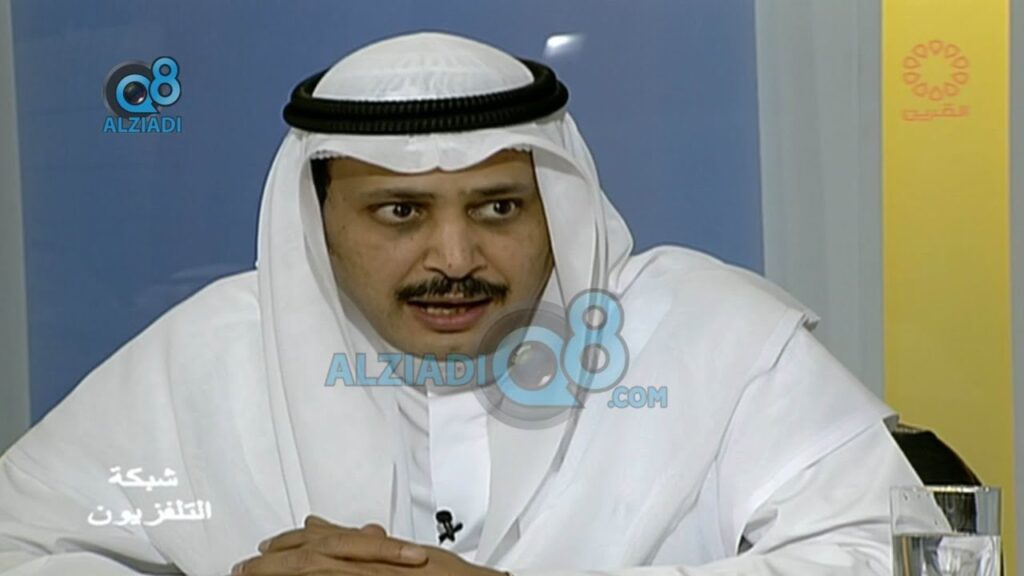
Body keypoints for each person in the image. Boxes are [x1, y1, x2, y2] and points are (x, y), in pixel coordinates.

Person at [0, 32, 927, 576]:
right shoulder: (211, 356)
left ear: (554, 207)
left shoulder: (704, 336)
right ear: (319, 225)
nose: (455, 259)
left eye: (498, 208)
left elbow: (897, 554)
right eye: (399, 212)